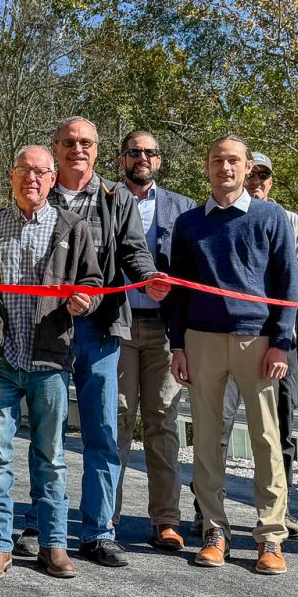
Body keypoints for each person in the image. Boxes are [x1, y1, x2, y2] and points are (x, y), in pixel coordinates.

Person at [0, 146, 102, 582]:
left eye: (41, 172)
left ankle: (54, 545)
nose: (33, 179)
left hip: (50, 360)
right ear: (11, 174)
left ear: (53, 179)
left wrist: (86, 300)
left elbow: (94, 282)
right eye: (25, 170)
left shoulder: (72, 227)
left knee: (51, 458)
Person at [167, 135, 298, 575]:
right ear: (206, 167)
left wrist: (281, 340)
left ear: (247, 169)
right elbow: (180, 290)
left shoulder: (270, 215)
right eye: (217, 160)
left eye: (233, 161)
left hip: (257, 340)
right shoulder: (189, 224)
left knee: (266, 439)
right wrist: (179, 345)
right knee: (205, 439)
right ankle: (214, 529)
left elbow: (287, 282)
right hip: (202, 339)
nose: (225, 168)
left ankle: (270, 536)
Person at [47, 117, 161, 568]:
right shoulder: (39, 192)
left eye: (86, 143)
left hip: (103, 329)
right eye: (70, 142)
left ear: (98, 151)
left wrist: (149, 278)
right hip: (49, 329)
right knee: (48, 431)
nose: (78, 149)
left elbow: (133, 251)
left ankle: (98, 531)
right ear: (56, 148)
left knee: (102, 432)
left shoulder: (116, 199)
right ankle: (47, 526)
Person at [110, 129, 196, 551]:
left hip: (165, 331)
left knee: (163, 422)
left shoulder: (183, 209)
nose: (141, 158)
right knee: (119, 420)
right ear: (121, 158)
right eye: (133, 152)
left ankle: (166, 519)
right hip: (119, 325)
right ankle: (106, 517)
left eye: (149, 153)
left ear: (159, 161)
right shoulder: (106, 201)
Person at [236, 150, 298, 540]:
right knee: (217, 426)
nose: (257, 182)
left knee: (280, 426)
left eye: (264, 175)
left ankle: (280, 510)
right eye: (252, 173)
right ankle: (205, 511)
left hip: (280, 340)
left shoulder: (290, 221)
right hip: (232, 338)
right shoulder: (219, 215)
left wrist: (282, 338)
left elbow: (295, 284)